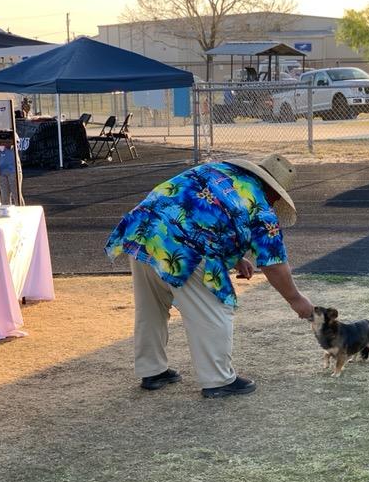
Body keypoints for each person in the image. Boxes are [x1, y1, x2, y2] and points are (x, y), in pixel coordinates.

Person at [105, 154, 314, 398]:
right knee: (215, 308)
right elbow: (273, 263)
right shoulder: (262, 207)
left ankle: (152, 371)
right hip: (185, 248)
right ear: (276, 194)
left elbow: (208, 213)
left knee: (150, 306)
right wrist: (296, 300)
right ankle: (218, 380)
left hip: (143, 231)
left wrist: (235, 258)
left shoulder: (215, 170)